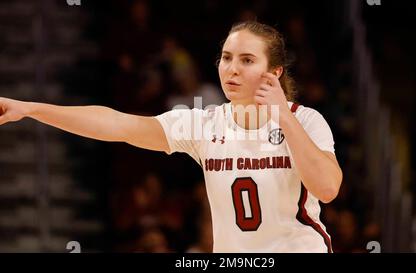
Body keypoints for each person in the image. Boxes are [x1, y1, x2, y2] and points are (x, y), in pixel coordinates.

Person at [0, 21, 342, 253]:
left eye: (247, 60)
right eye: (226, 58)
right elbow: (117, 125)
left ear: (274, 72)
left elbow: (327, 188)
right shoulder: (205, 124)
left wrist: (282, 114)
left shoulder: (305, 120)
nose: (232, 69)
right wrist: (32, 109)